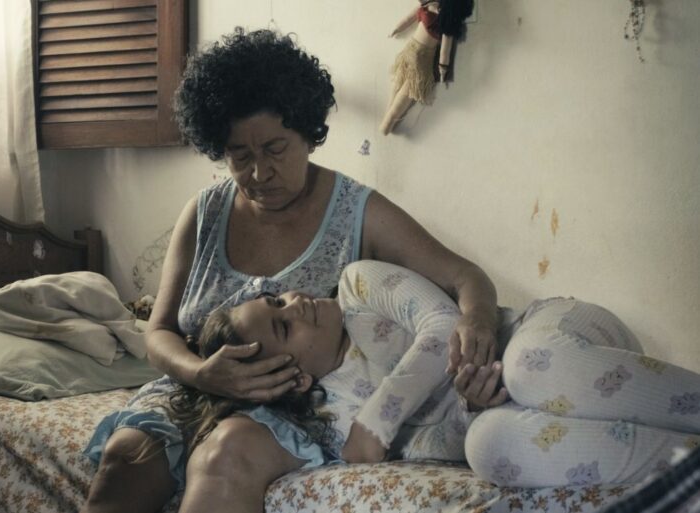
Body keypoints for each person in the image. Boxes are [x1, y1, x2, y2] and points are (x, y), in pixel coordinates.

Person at [81, 28, 500, 513]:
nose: (259, 173)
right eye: (240, 156)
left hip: (297, 406)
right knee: (125, 459)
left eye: (275, 149)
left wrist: (478, 320)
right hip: (195, 388)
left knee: (226, 453)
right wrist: (201, 373)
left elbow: (466, 278)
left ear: (307, 134)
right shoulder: (204, 213)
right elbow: (158, 333)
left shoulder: (357, 212)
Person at [168, 260, 700, 488]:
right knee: (486, 447)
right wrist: (472, 408)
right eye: (284, 326)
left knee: (525, 368)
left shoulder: (357, 288)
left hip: (558, 339)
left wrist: (378, 421)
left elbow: (444, 323)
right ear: (297, 379)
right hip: (516, 406)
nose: (296, 302)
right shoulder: (338, 417)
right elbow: (433, 443)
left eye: (276, 299)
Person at [380, 0, 474, 135]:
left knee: (403, 96)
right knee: (395, 88)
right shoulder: (425, 6)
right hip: (409, 52)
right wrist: (397, 28)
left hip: (422, 61)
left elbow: (445, 49)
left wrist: (443, 67)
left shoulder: (446, 17)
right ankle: (386, 122)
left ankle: (386, 126)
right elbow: (408, 19)